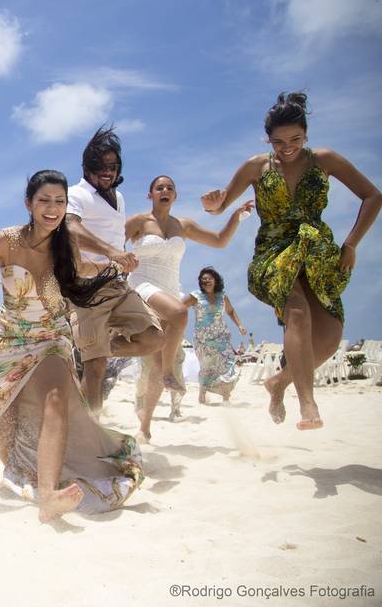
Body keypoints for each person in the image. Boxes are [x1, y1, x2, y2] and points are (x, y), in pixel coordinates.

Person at [0, 170, 143, 522]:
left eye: (60, 201)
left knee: (56, 398)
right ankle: (34, 478)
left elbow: (81, 270)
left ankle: (49, 497)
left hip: (51, 337)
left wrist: (116, 262)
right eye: (45, 200)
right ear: (29, 204)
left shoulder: (66, 245)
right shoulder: (7, 241)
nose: (53, 208)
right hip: (10, 339)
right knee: (2, 427)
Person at [201, 92, 381, 430]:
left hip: (317, 252)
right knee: (296, 310)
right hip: (273, 253)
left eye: (295, 139)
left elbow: (374, 196)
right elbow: (220, 205)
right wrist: (211, 203)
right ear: (267, 139)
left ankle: (278, 383)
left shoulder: (325, 160)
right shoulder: (257, 166)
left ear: (307, 134)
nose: (287, 147)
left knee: (329, 337)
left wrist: (352, 243)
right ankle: (308, 403)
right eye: (279, 141)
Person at [124, 175, 253, 429]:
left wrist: (235, 217)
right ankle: (169, 373)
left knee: (157, 358)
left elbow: (219, 241)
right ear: (150, 194)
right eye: (159, 187)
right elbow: (111, 245)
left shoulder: (183, 225)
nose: (165, 190)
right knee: (181, 314)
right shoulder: (139, 221)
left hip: (169, 290)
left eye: (170, 188)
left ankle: (145, 425)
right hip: (141, 283)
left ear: (175, 195)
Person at [64, 127, 165, 434]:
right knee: (96, 368)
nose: (107, 172)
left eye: (112, 166)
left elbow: (113, 235)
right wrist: (111, 252)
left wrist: (122, 256)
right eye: (100, 167)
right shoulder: (76, 194)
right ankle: (92, 432)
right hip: (86, 288)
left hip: (118, 284)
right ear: (86, 167)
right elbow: (70, 228)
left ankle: (91, 350)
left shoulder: (118, 197)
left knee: (153, 338)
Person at [181, 267, 246, 403]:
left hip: (221, 336)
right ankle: (203, 393)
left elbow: (230, 311)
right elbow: (179, 307)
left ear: (215, 280)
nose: (206, 281)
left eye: (209, 278)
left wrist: (239, 325)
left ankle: (225, 396)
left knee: (227, 363)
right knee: (207, 367)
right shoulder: (196, 295)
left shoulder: (222, 296)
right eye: (203, 279)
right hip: (202, 339)